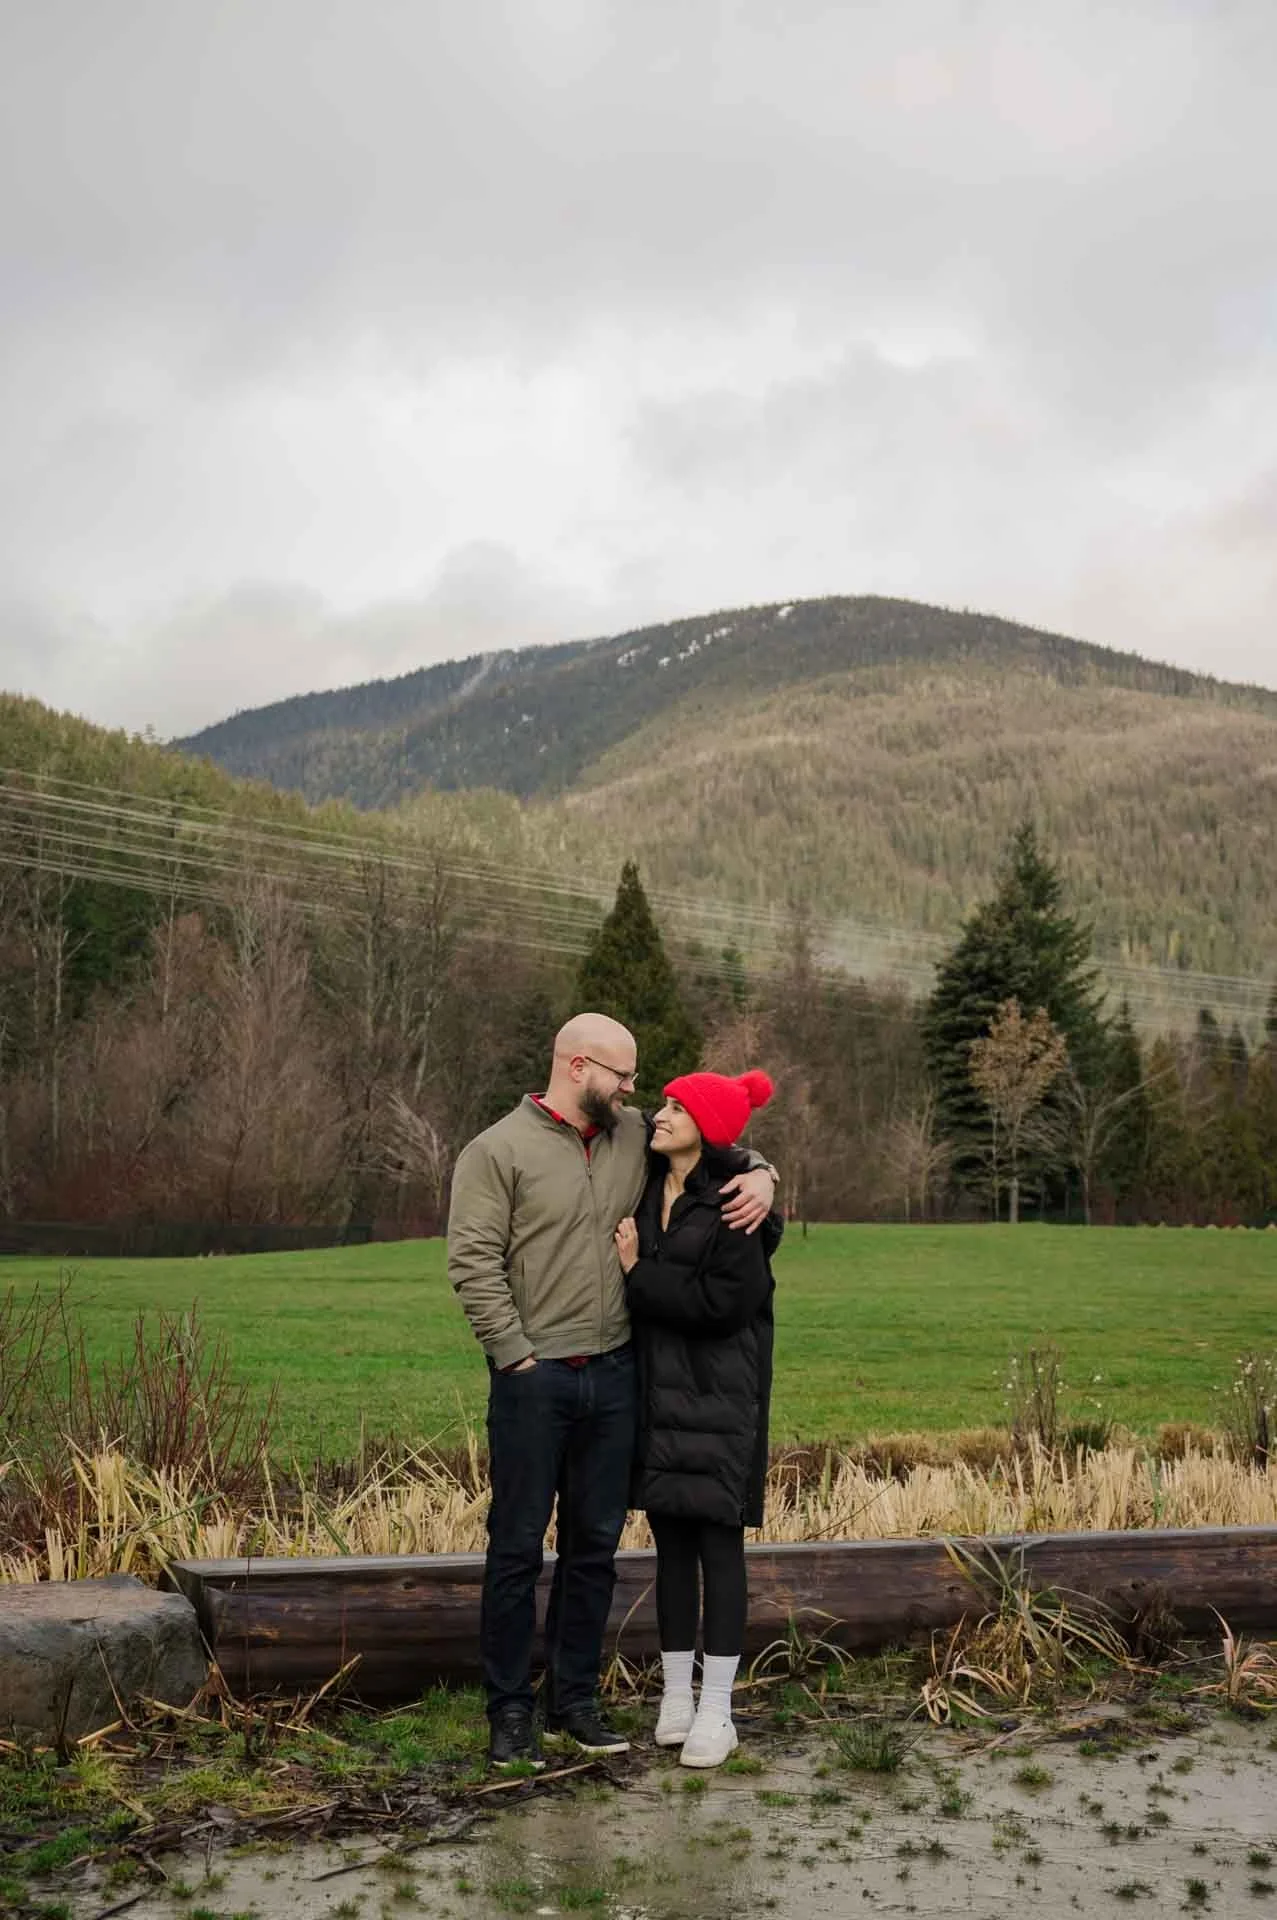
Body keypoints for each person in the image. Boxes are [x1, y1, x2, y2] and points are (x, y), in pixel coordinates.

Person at [447, 1013, 777, 1771]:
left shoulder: (633, 1136)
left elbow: (717, 1140)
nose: (634, 1091)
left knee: (593, 1549)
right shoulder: (496, 1150)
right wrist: (515, 1357)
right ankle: (509, 1712)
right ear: (578, 1066)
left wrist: (763, 1173)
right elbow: (472, 1262)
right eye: (622, 1076)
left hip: (619, 1377)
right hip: (534, 1379)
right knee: (516, 1548)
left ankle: (574, 1701)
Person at [613, 1067, 777, 1769]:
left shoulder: (737, 1201)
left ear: (706, 1128)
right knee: (671, 1547)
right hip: (658, 1395)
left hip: (719, 1398)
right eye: (664, 1103)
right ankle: (676, 1699)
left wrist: (637, 1274)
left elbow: (724, 1307)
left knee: (718, 1546)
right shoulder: (648, 1187)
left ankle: (718, 1711)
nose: (661, 1113)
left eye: (677, 1107)